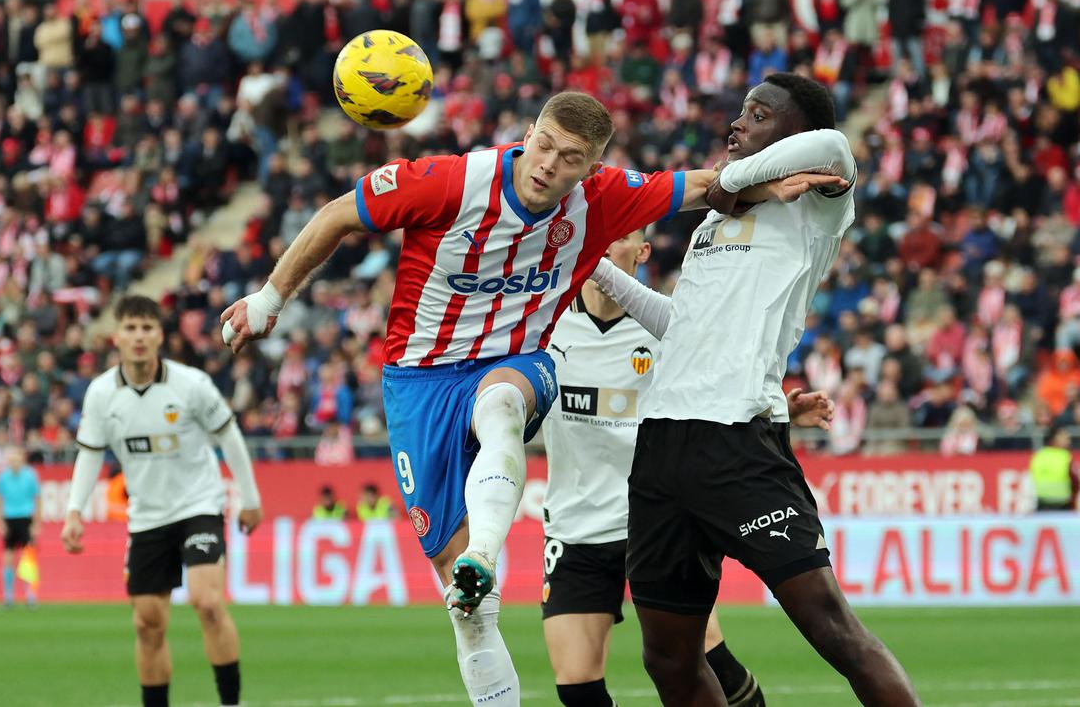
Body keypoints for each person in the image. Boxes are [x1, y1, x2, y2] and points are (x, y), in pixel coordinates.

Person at [221, 91, 717, 705]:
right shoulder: (447, 182)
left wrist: (789, 175)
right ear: (527, 133)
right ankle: (474, 579)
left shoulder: (606, 196)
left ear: (591, 168)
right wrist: (269, 300)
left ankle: (484, 551)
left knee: (503, 405)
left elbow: (708, 185)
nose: (548, 165)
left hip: (517, 361)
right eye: (543, 145)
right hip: (419, 380)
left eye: (570, 158)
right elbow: (335, 216)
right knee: (469, 616)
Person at [590, 73, 920, 705]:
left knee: (831, 630)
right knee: (667, 658)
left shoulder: (818, 198)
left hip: (737, 439)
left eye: (758, 113)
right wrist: (592, 262)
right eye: (741, 112)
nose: (738, 124)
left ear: (793, 129)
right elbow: (681, 325)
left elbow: (833, 141)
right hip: (661, 447)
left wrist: (725, 185)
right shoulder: (715, 221)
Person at [543, 227, 835, 707]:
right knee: (576, 684)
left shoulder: (667, 324)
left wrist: (780, 409)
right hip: (574, 525)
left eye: (617, 235)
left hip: (655, 518)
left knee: (706, 659)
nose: (602, 243)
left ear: (640, 252)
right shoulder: (549, 326)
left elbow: (719, 390)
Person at [60, 296, 264, 707]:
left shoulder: (190, 385)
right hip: (148, 517)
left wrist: (250, 497)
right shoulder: (101, 394)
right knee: (147, 624)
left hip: (198, 505)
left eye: (147, 328)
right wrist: (73, 511)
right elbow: (90, 452)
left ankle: (231, 703)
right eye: (131, 328)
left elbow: (228, 434)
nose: (139, 337)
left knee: (206, 602)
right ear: (116, 337)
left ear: (160, 336)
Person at [0, 445, 41, 608]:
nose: (14, 462)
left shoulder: (30, 475)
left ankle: (31, 594)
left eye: (17, 459)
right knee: (7, 557)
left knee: (28, 557)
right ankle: (8, 595)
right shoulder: (2, 477)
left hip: (26, 517)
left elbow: (37, 499)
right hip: (9, 518)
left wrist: (36, 523)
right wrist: (0, 522)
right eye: (11, 459)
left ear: (23, 459)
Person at [1029, 426, 1078, 511]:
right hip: (1062, 504)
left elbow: (1032, 477)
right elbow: (1075, 482)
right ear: (1055, 439)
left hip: (1042, 502)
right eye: (1064, 437)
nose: (1068, 440)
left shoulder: (1040, 455)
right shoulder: (1065, 456)